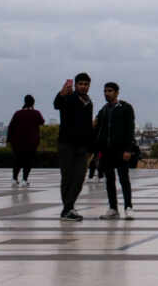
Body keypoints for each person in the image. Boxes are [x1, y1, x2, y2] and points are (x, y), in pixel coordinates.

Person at [53, 73, 95, 221]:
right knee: (67, 177)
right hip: (67, 144)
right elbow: (57, 105)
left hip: (82, 146)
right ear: (76, 85)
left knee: (79, 177)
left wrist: (91, 146)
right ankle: (68, 208)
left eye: (86, 84)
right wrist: (61, 94)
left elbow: (89, 125)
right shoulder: (69, 98)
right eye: (81, 84)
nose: (83, 86)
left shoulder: (89, 102)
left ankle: (68, 207)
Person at [94, 82, 137, 219]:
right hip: (107, 151)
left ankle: (128, 207)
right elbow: (96, 124)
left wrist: (128, 149)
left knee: (124, 179)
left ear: (117, 92)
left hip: (121, 150)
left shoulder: (125, 108)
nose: (107, 93)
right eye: (105, 91)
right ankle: (113, 208)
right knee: (109, 180)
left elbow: (130, 129)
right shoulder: (104, 109)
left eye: (110, 91)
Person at [7, 95, 44, 188]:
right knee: (28, 161)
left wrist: (9, 140)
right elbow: (42, 122)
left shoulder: (18, 113)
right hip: (31, 142)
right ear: (33, 103)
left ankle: (14, 178)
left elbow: (11, 126)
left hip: (17, 142)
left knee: (17, 160)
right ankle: (24, 179)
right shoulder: (36, 113)